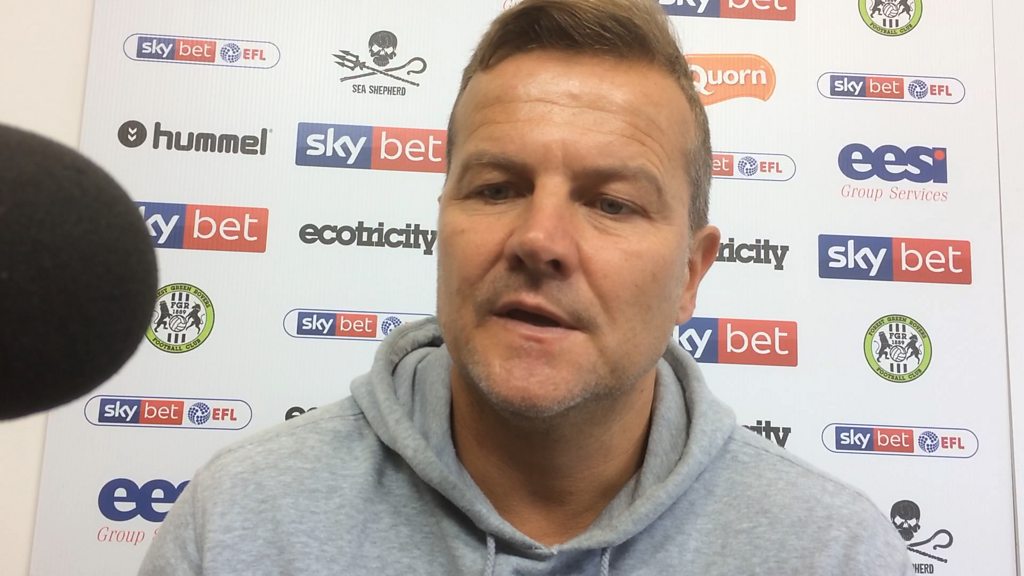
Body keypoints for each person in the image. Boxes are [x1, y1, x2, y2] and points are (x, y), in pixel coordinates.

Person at [140, 1, 912, 574]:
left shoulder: (832, 552)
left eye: (611, 203)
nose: (540, 240)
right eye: (498, 188)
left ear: (690, 274)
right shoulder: (240, 524)